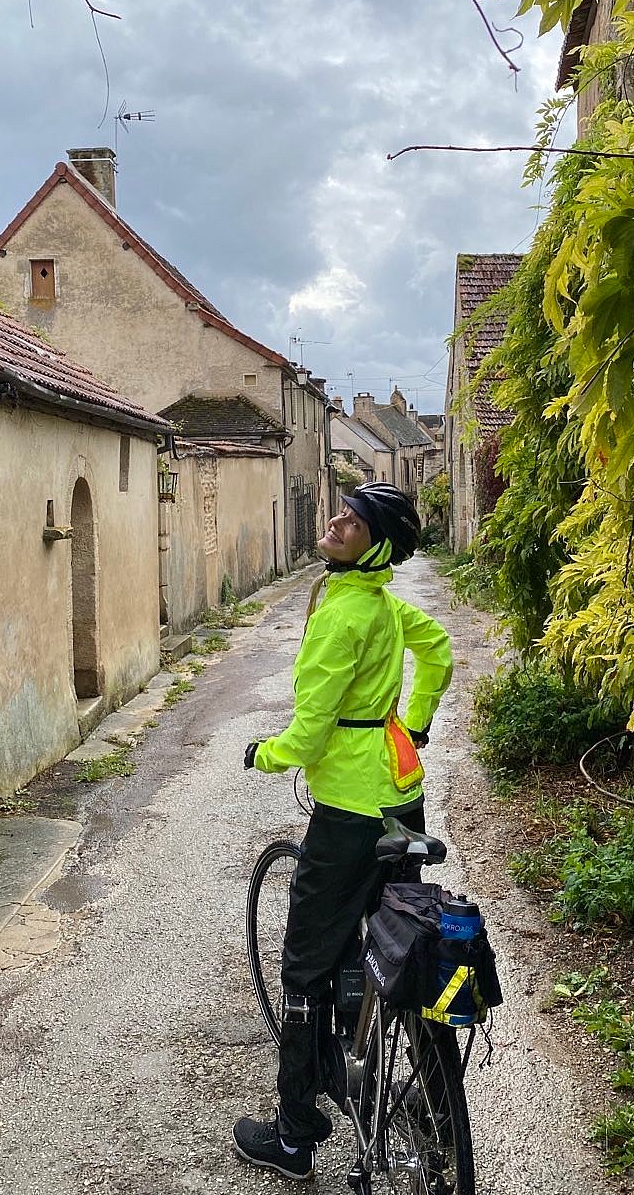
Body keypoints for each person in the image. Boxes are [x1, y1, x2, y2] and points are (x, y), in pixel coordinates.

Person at [233, 482, 453, 1181]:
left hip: (349, 814)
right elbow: (441, 650)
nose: (335, 521)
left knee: (302, 967)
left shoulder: (344, 614)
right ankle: (436, 1106)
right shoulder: (384, 606)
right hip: (400, 797)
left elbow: (308, 731)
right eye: (340, 511)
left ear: (376, 545)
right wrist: (412, 723)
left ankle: (294, 1138)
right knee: (394, 939)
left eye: (352, 521)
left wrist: (266, 754)